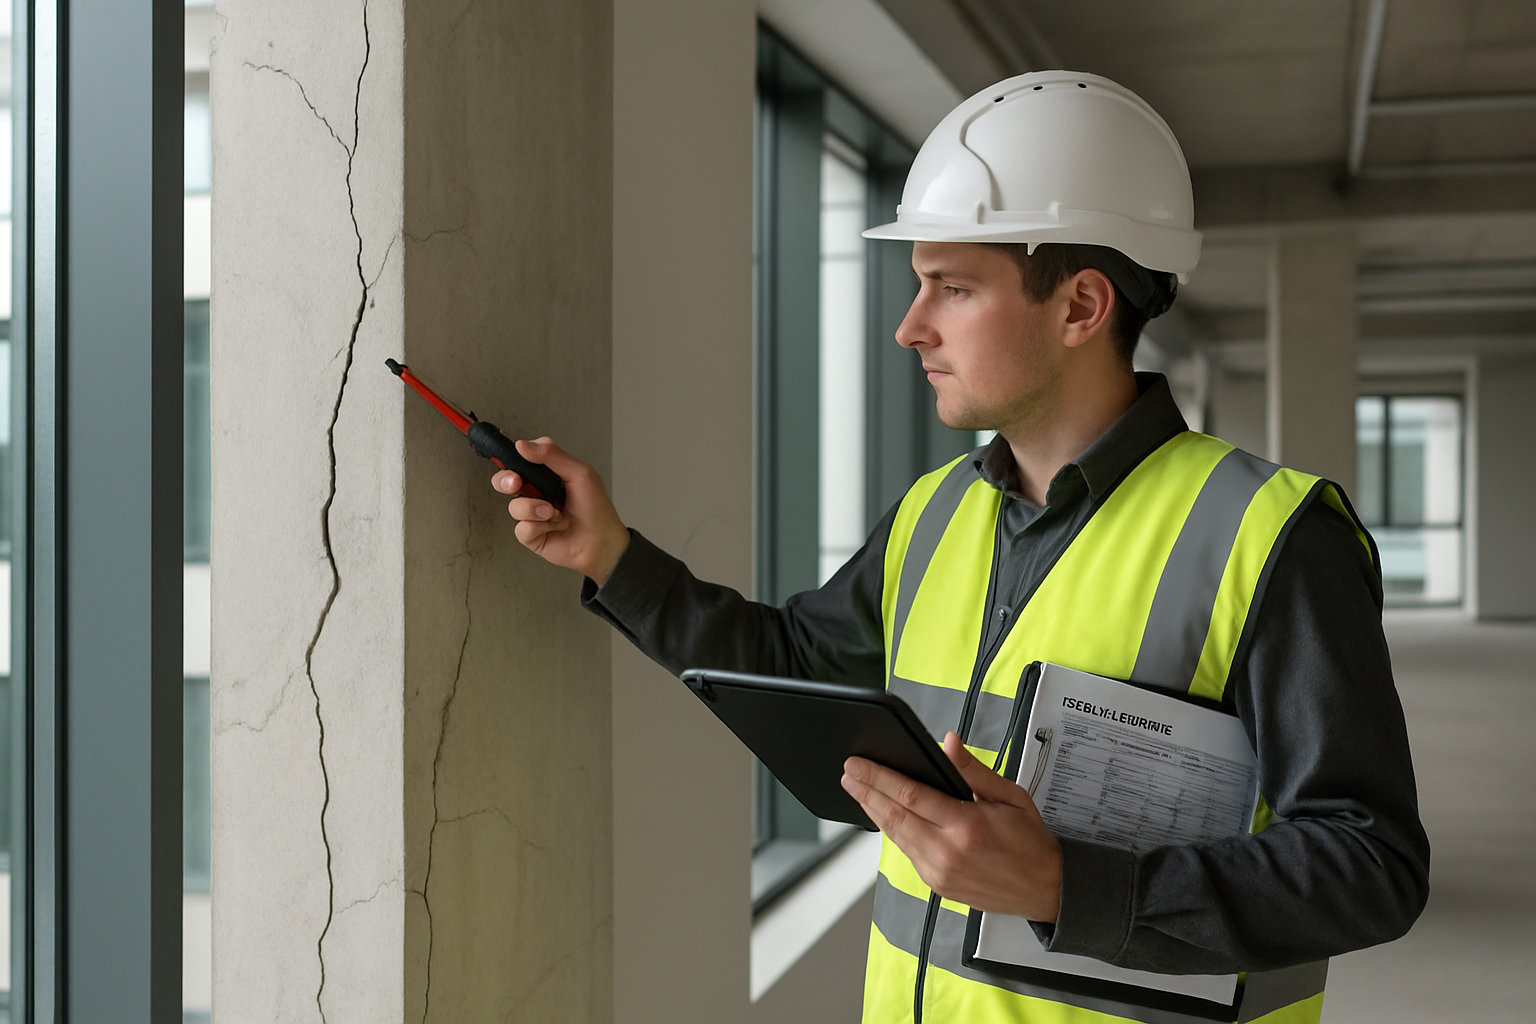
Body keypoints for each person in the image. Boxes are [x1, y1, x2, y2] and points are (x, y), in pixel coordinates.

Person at [491, 71, 1429, 1024]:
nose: (910, 329)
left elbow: (1370, 864)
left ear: (1080, 307)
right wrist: (611, 556)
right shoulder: (934, 512)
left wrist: (1069, 884)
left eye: (952, 288)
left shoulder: (1272, 536)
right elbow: (797, 671)